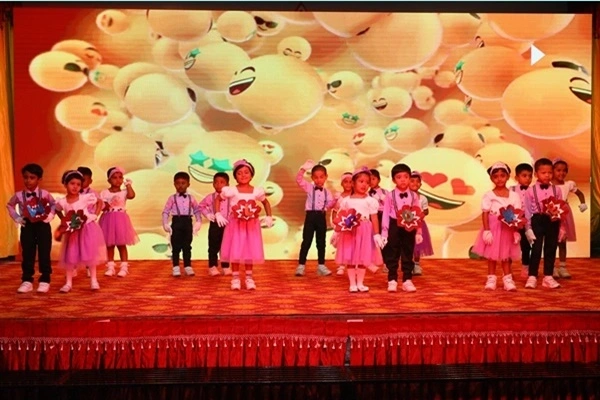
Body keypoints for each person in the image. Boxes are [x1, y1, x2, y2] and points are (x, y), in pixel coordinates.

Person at [214, 159, 273, 290]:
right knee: (235, 250)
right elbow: (218, 199)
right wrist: (218, 214)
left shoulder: (256, 191)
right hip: (236, 224)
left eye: (246, 172)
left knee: (249, 251)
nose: (243, 175)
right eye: (239, 173)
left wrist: (269, 216)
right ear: (235, 176)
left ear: (252, 175)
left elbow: (265, 202)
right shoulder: (231, 190)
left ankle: (249, 277)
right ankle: (235, 278)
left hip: (251, 225)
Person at [54, 170, 107, 293]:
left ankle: (94, 280)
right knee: (70, 256)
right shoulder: (62, 201)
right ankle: (68, 283)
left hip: (87, 229)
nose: (75, 187)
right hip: (72, 232)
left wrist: (95, 215)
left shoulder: (85, 198)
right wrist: (63, 219)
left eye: (78, 184)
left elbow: (99, 202)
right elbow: (57, 209)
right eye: (72, 183)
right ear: (65, 184)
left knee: (89, 255)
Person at [6, 163, 56, 293]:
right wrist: (17, 218)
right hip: (27, 225)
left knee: (44, 251)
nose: (28, 180)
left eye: (32, 177)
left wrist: (50, 215)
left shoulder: (45, 194)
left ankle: (45, 279)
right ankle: (27, 280)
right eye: (26, 177)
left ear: (39, 179)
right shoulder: (19, 195)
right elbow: (10, 205)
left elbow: (53, 204)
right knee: (27, 252)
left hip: (42, 224)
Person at [332, 167, 383, 293]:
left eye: (367, 182)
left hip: (365, 231)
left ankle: (360, 283)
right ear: (353, 183)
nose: (364, 185)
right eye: (361, 181)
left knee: (362, 258)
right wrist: (336, 232)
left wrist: (377, 234)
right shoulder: (346, 201)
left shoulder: (370, 201)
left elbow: (374, 218)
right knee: (350, 258)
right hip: (349, 231)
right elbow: (341, 216)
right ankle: (352, 283)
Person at [472, 162, 520, 291]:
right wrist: (486, 230)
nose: (499, 179)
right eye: (496, 176)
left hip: (507, 228)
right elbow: (485, 213)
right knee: (492, 255)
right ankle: (491, 279)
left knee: (506, 255)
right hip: (493, 227)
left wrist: (515, 231)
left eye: (502, 176)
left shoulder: (514, 196)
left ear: (508, 176)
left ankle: (508, 279)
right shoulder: (489, 195)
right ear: (491, 178)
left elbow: (517, 214)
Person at [524, 158, 566, 289]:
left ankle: (548, 276)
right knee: (536, 249)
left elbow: (561, 208)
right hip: (538, 220)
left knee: (551, 248)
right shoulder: (530, 190)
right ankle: (532, 276)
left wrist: (562, 227)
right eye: (543, 173)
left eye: (549, 172)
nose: (547, 175)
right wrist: (528, 228)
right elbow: (527, 210)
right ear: (536, 174)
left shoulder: (557, 190)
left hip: (553, 221)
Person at [381, 163, 423, 293]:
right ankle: (392, 279)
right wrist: (384, 232)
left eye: (406, 177)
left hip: (408, 226)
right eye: (399, 177)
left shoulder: (414, 196)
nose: (403, 180)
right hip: (394, 224)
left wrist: (418, 231)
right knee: (392, 252)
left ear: (410, 178)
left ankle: (407, 280)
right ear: (394, 180)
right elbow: (386, 213)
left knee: (407, 252)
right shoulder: (390, 195)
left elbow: (417, 213)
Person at [295, 160, 336, 277]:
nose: (319, 180)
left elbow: (330, 203)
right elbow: (299, 180)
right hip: (310, 216)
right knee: (306, 241)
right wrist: (303, 169)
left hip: (321, 217)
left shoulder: (327, 192)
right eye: (316, 177)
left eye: (321, 177)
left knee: (321, 242)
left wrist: (333, 202)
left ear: (326, 177)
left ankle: (321, 265)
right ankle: (301, 265)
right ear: (312, 178)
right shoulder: (309, 187)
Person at [99, 167, 139, 278]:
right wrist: (105, 204)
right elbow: (102, 206)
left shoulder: (124, 192)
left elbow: (131, 196)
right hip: (108, 219)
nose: (118, 180)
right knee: (109, 245)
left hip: (121, 219)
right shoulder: (104, 192)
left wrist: (129, 185)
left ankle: (124, 267)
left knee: (121, 244)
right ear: (109, 180)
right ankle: (110, 267)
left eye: (120, 177)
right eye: (114, 177)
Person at [551, 158, 587, 279]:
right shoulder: (548, 185)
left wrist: (583, 203)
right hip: (552, 213)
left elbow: (580, 193)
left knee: (562, 241)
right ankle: (551, 267)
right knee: (552, 241)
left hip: (565, 213)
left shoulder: (568, 184)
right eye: (558, 170)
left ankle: (562, 267)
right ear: (552, 170)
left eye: (564, 170)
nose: (561, 173)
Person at [162, 171, 202, 277]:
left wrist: (198, 221)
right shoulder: (172, 198)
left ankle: (188, 266)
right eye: (178, 183)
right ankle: (175, 267)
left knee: (187, 246)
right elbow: (166, 211)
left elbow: (197, 210)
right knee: (175, 246)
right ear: (174, 184)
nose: (180, 185)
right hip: (177, 222)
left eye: (183, 183)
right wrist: (165, 223)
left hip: (188, 222)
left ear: (188, 184)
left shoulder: (191, 198)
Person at [199, 172, 231, 276]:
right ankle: (212, 266)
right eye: (216, 182)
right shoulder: (211, 197)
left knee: (226, 246)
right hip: (215, 225)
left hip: (228, 225)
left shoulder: (231, 197)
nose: (218, 184)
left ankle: (226, 266)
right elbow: (201, 206)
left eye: (222, 182)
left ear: (227, 184)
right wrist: (207, 214)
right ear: (213, 184)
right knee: (213, 245)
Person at [77, 166, 104, 278]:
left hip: (88, 223)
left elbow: (100, 203)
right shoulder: (74, 190)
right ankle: (73, 267)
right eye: (79, 179)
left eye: (84, 179)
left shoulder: (93, 193)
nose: (81, 182)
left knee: (88, 246)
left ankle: (89, 267)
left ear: (90, 181)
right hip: (76, 222)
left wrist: (95, 215)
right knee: (75, 246)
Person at [509, 163, 533, 279]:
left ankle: (525, 267)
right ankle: (507, 270)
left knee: (526, 245)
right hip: (512, 221)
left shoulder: (533, 190)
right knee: (509, 245)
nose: (527, 178)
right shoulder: (511, 190)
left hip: (526, 221)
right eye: (524, 175)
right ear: (516, 177)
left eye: (530, 176)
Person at [409, 171, 433, 275]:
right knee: (408, 245)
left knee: (417, 246)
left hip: (419, 225)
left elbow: (426, 210)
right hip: (407, 224)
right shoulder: (405, 196)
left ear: (420, 184)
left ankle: (416, 265)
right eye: (412, 181)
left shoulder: (423, 198)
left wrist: (422, 214)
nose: (415, 183)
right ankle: (408, 264)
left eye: (417, 181)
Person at [367, 169, 388, 274]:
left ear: (379, 180)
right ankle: (371, 262)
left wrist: (382, 198)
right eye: (369, 179)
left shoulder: (385, 192)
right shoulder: (366, 193)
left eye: (373, 179)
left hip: (383, 215)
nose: (371, 181)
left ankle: (386, 263)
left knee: (384, 239)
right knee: (371, 239)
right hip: (371, 216)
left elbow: (390, 205)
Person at [330, 172, 353, 276]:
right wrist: (335, 223)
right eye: (345, 182)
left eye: (350, 182)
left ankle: (353, 265)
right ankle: (341, 265)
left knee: (353, 245)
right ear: (341, 183)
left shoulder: (356, 196)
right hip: (342, 224)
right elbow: (335, 211)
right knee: (342, 245)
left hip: (353, 224)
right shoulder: (338, 196)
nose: (348, 184)